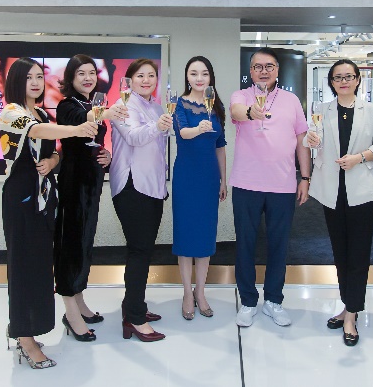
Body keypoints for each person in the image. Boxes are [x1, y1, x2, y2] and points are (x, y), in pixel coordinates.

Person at [0, 58, 98, 369]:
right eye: (28, 77)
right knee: (23, 267)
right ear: (16, 81)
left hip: (45, 198)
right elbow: (37, 131)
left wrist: (54, 162)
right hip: (22, 199)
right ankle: (24, 339)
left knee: (41, 267)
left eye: (39, 77)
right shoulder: (11, 112)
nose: (35, 83)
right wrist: (77, 129)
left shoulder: (41, 111)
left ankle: (29, 330)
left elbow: (54, 150)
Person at [305, 59, 373, 346]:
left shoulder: (370, 110)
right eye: (338, 77)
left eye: (348, 76)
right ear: (331, 82)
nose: (343, 81)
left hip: (361, 191)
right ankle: (346, 305)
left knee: (358, 255)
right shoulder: (321, 109)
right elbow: (310, 141)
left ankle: (352, 314)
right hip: (331, 191)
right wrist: (311, 140)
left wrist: (359, 157)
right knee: (340, 253)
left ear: (357, 80)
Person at [229, 47, 311, 328]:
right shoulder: (241, 96)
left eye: (269, 66)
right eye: (257, 67)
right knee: (245, 244)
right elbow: (237, 112)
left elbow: (301, 139)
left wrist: (305, 177)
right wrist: (250, 112)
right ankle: (248, 301)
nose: (263, 71)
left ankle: (274, 300)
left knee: (279, 245)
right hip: (246, 183)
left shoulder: (291, 100)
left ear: (277, 70)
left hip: (283, 184)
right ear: (250, 72)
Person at [54, 54, 127, 341]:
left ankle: (80, 300)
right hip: (73, 184)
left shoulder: (91, 103)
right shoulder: (68, 105)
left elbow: (94, 141)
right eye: (81, 73)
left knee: (84, 243)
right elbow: (80, 122)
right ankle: (70, 312)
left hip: (91, 184)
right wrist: (105, 113)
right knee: (70, 245)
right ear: (71, 78)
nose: (88, 78)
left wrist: (106, 154)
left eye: (91, 73)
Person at [110, 58, 173, 342]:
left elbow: (159, 145)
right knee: (139, 251)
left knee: (144, 251)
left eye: (151, 76)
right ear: (130, 80)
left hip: (153, 186)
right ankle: (135, 319)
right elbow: (134, 138)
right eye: (140, 76)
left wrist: (163, 126)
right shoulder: (122, 104)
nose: (146, 80)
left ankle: (134, 306)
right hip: (132, 186)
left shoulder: (156, 107)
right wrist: (158, 126)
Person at [172, 56, 227, 320]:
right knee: (185, 236)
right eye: (194, 73)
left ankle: (201, 291)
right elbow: (182, 133)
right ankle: (186, 292)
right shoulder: (179, 103)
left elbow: (220, 147)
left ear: (210, 77)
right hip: (186, 177)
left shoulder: (216, 106)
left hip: (208, 178)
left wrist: (223, 180)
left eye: (204, 73)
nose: (199, 78)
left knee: (205, 236)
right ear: (187, 77)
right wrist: (198, 128)